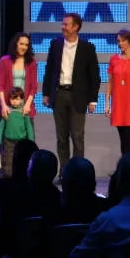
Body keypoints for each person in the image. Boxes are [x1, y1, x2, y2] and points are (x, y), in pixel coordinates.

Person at [42, 13, 101, 177]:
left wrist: (93, 100)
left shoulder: (87, 47)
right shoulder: (55, 44)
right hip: (59, 94)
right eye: (63, 24)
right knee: (61, 137)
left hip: (78, 96)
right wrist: (46, 93)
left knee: (77, 136)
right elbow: (49, 70)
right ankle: (64, 172)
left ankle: (78, 173)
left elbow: (94, 75)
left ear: (76, 27)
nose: (63, 27)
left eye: (66, 24)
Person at [104, 29, 130, 154]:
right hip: (119, 105)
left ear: (129, 41)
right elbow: (110, 82)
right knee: (124, 141)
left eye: (123, 41)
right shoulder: (114, 59)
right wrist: (107, 103)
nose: (120, 43)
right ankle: (125, 165)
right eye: (118, 41)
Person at [0, 32, 38, 126]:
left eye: (26, 45)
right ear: (16, 44)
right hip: (8, 106)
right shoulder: (4, 61)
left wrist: (27, 105)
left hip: (25, 106)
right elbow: (0, 85)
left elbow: (33, 87)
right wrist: (3, 105)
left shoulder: (31, 63)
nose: (24, 47)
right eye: (21, 44)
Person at [0, 87, 35, 178]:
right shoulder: (7, 111)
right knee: (8, 160)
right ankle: (8, 177)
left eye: (17, 99)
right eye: (12, 99)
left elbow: (29, 127)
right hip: (9, 141)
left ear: (22, 100)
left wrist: (31, 140)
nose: (14, 101)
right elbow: (1, 126)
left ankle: (21, 176)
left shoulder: (24, 112)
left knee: (22, 159)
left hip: (21, 142)